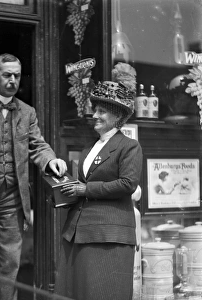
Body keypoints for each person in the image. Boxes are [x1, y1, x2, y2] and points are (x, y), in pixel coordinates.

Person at [0, 53, 67, 300]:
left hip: (13, 195)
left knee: (11, 260)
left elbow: (38, 145)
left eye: (17, 75)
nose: (12, 80)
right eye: (7, 74)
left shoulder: (27, 112)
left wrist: (51, 160)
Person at [54, 63, 143, 300]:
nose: (95, 116)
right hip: (79, 232)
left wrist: (85, 188)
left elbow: (128, 184)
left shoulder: (129, 146)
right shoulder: (88, 149)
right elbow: (82, 189)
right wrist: (62, 188)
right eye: (96, 110)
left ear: (117, 116)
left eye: (102, 111)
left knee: (102, 292)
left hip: (108, 235)